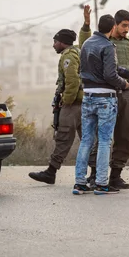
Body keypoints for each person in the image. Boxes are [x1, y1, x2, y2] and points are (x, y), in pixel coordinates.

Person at [79, 7, 129, 189]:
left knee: (125, 133)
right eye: (124, 25)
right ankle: (96, 174)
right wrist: (86, 24)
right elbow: (84, 44)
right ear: (115, 24)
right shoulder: (102, 42)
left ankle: (115, 175)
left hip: (125, 95)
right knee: (100, 137)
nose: (127, 29)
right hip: (104, 94)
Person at [29, 27, 83, 185]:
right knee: (88, 139)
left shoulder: (69, 56)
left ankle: (51, 172)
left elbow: (73, 81)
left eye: (55, 41)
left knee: (63, 137)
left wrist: (65, 101)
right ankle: (94, 173)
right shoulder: (76, 52)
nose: (53, 45)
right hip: (80, 103)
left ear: (62, 42)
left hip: (73, 105)